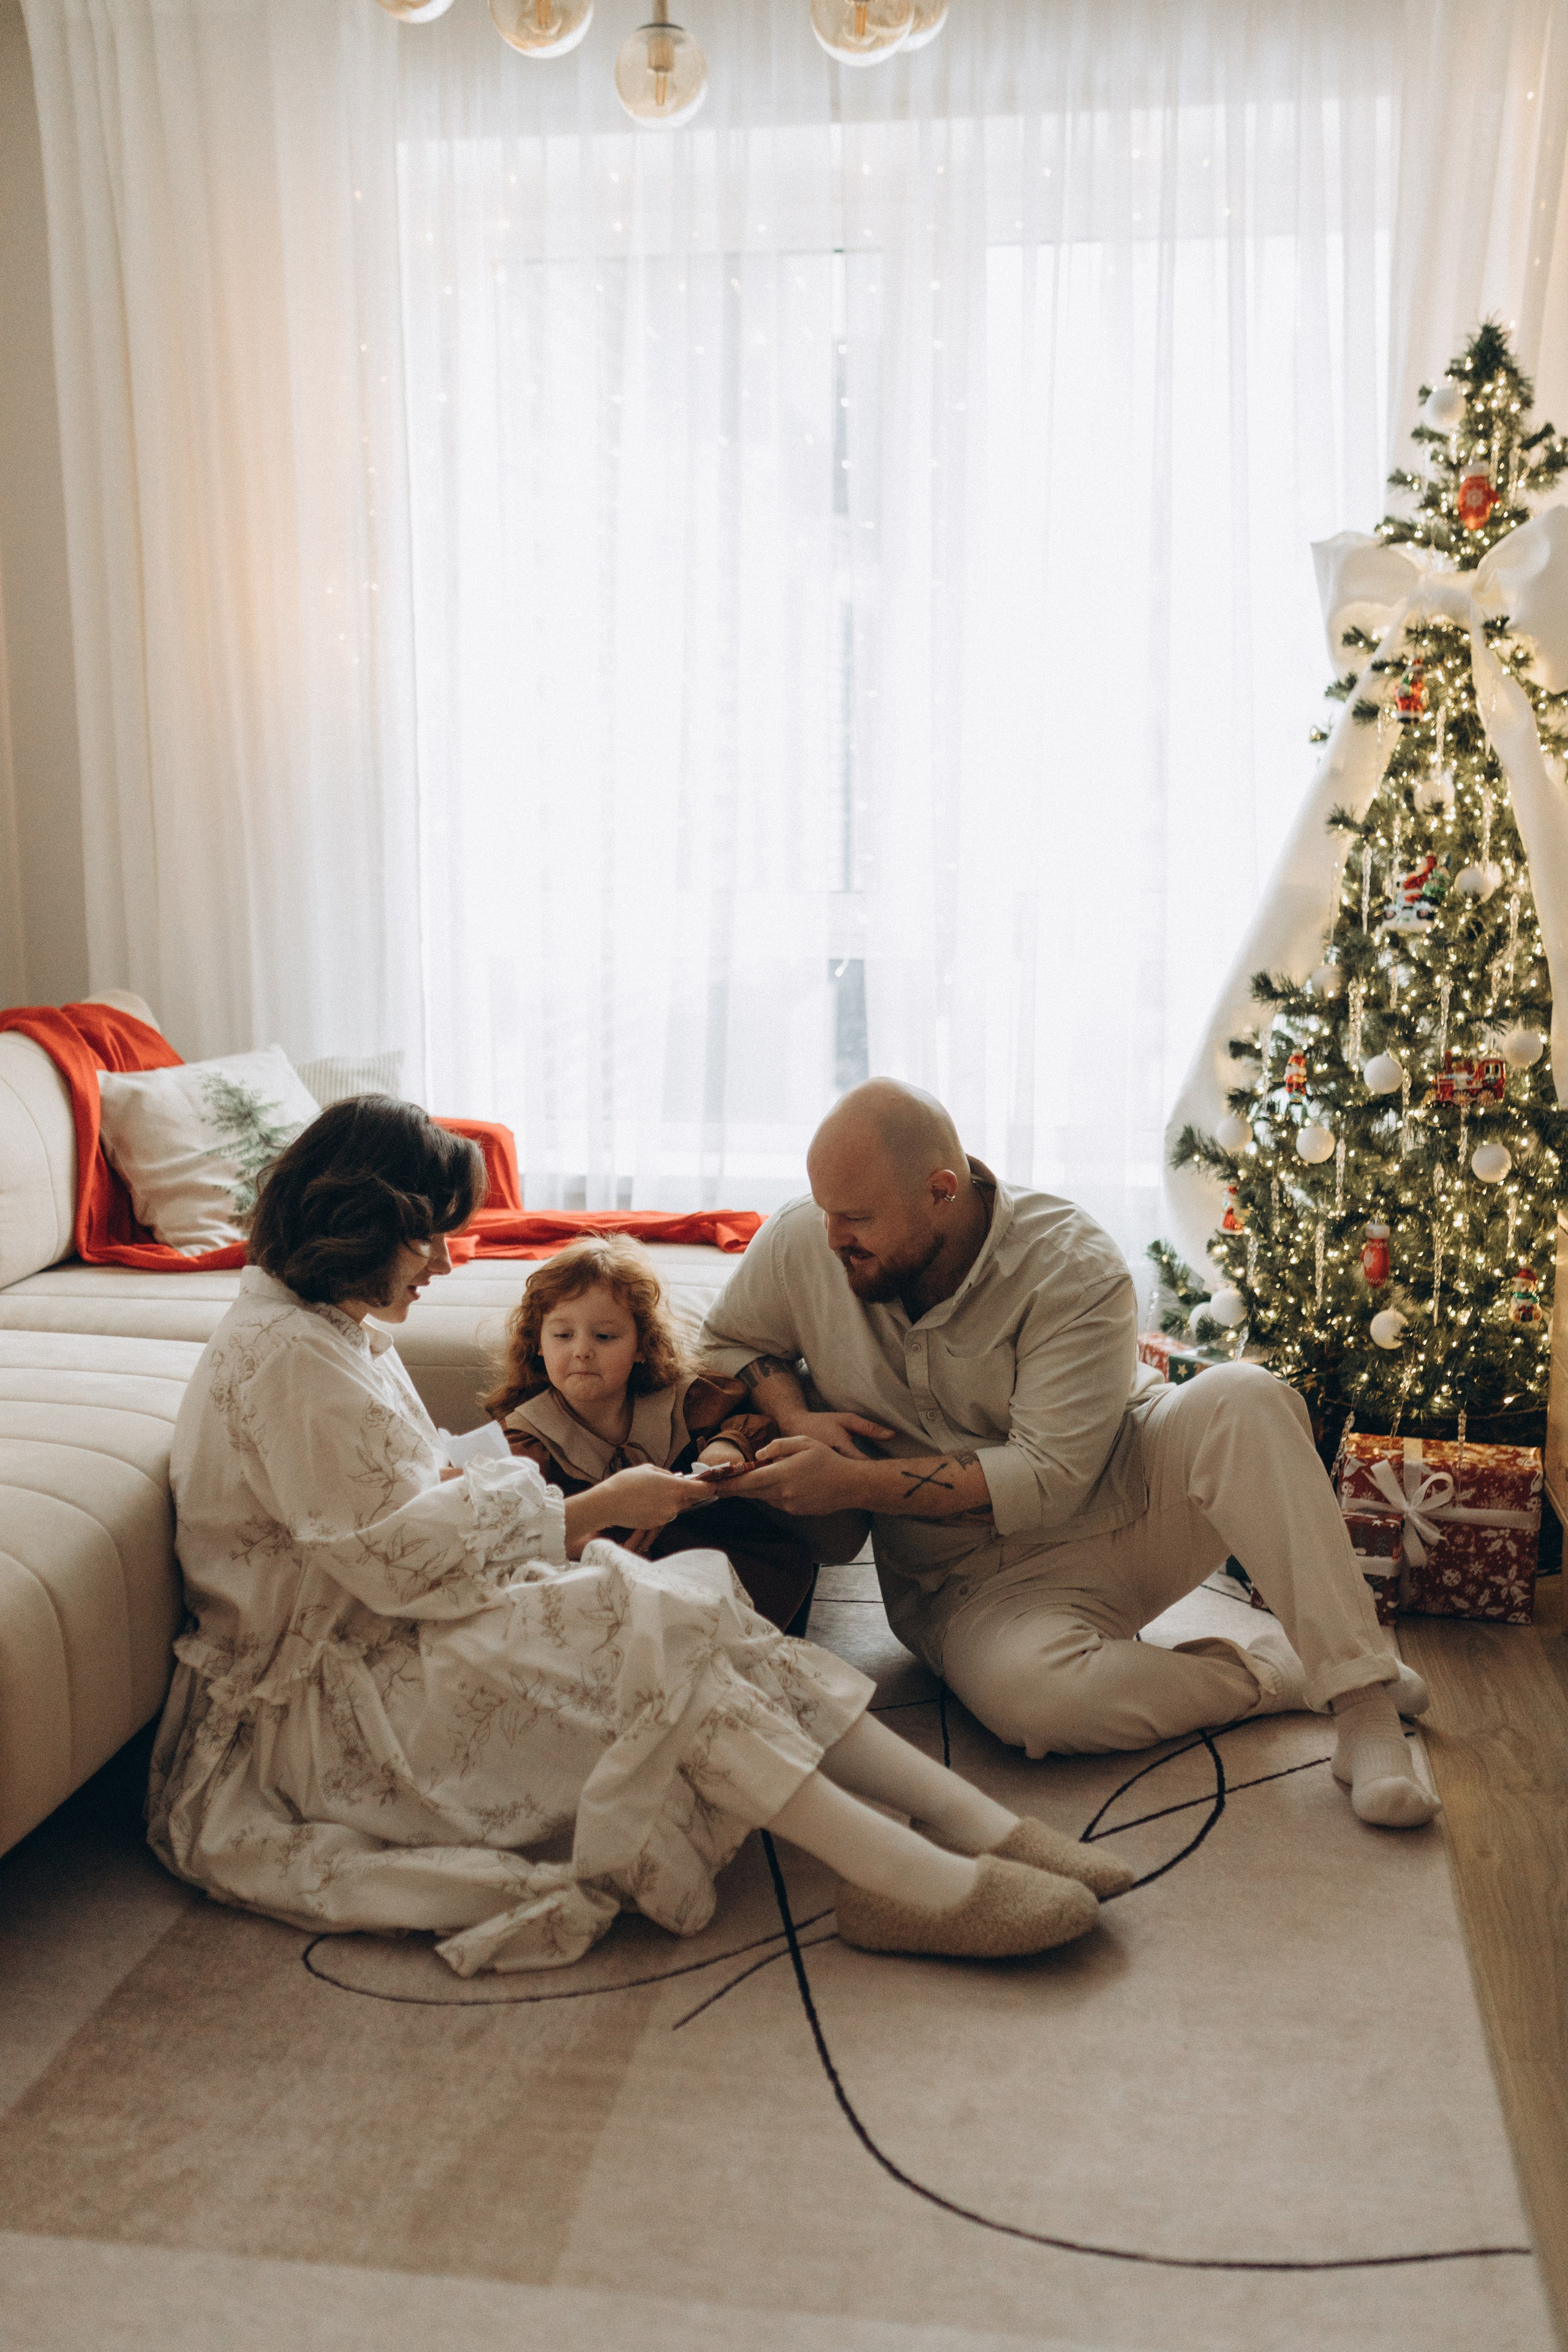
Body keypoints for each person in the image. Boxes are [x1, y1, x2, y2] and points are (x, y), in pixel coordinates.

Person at [148, 1096, 1132, 1979]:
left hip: (392, 1626)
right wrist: (595, 1507)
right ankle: (909, 1879)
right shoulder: (287, 1359)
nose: (447, 1264)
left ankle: (979, 1828)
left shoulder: (330, 1331)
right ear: (362, 1225)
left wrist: (567, 1506)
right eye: (432, 1239)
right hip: (319, 1700)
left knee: (686, 1600)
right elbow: (392, 1559)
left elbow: (403, 1511)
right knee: (647, 1619)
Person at [699, 1079, 1439, 1831]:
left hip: (1128, 1497)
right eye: (824, 1209)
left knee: (1246, 1397)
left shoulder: (1069, 1262)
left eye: (855, 1218)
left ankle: (1363, 1706)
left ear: (941, 1192)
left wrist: (850, 1483)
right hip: (966, 1586)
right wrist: (795, 1412)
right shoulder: (805, 1242)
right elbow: (729, 1341)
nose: (831, 1238)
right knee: (1039, 1706)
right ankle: (1277, 1672)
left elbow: (1048, 1479)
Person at [483, 1234, 864, 1632]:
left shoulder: (685, 1399)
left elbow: (750, 1422)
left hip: (705, 1546)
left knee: (768, 1574)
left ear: (641, 1347)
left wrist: (725, 1446)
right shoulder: (527, 1437)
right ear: (538, 1345)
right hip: (605, 1576)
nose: (582, 1351)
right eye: (563, 1335)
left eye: (604, 1336)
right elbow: (519, 1525)